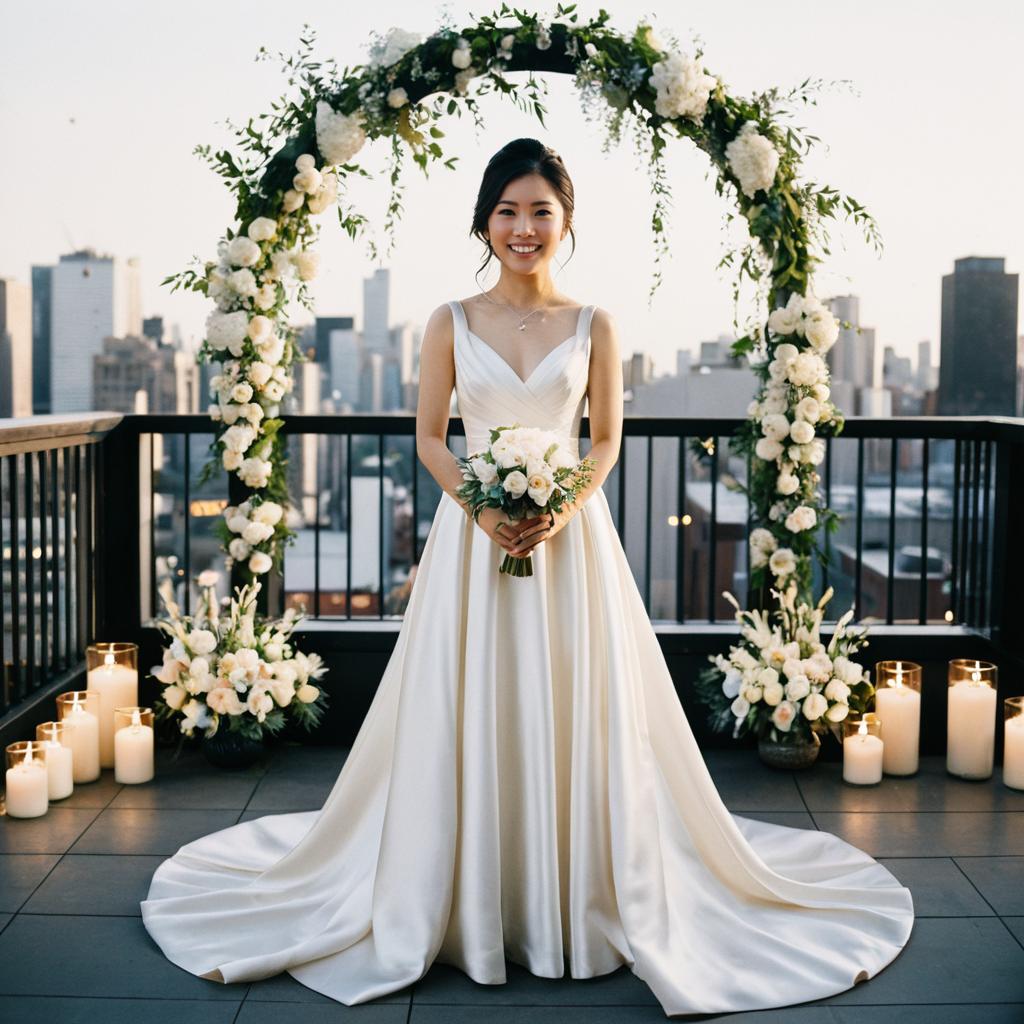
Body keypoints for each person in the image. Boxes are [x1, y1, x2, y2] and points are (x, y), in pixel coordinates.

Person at [141, 137, 914, 1017]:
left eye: (540, 211)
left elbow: (606, 441)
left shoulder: (595, 325)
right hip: (470, 542)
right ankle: (461, 892)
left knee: (574, 701)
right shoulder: (448, 320)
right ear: (484, 222)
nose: (523, 227)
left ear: (565, 220)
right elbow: (430, 437)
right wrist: (482, 509)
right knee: (469, 699)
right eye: (507, 211)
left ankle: (577, 892)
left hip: (570, 544)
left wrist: (562, 506)